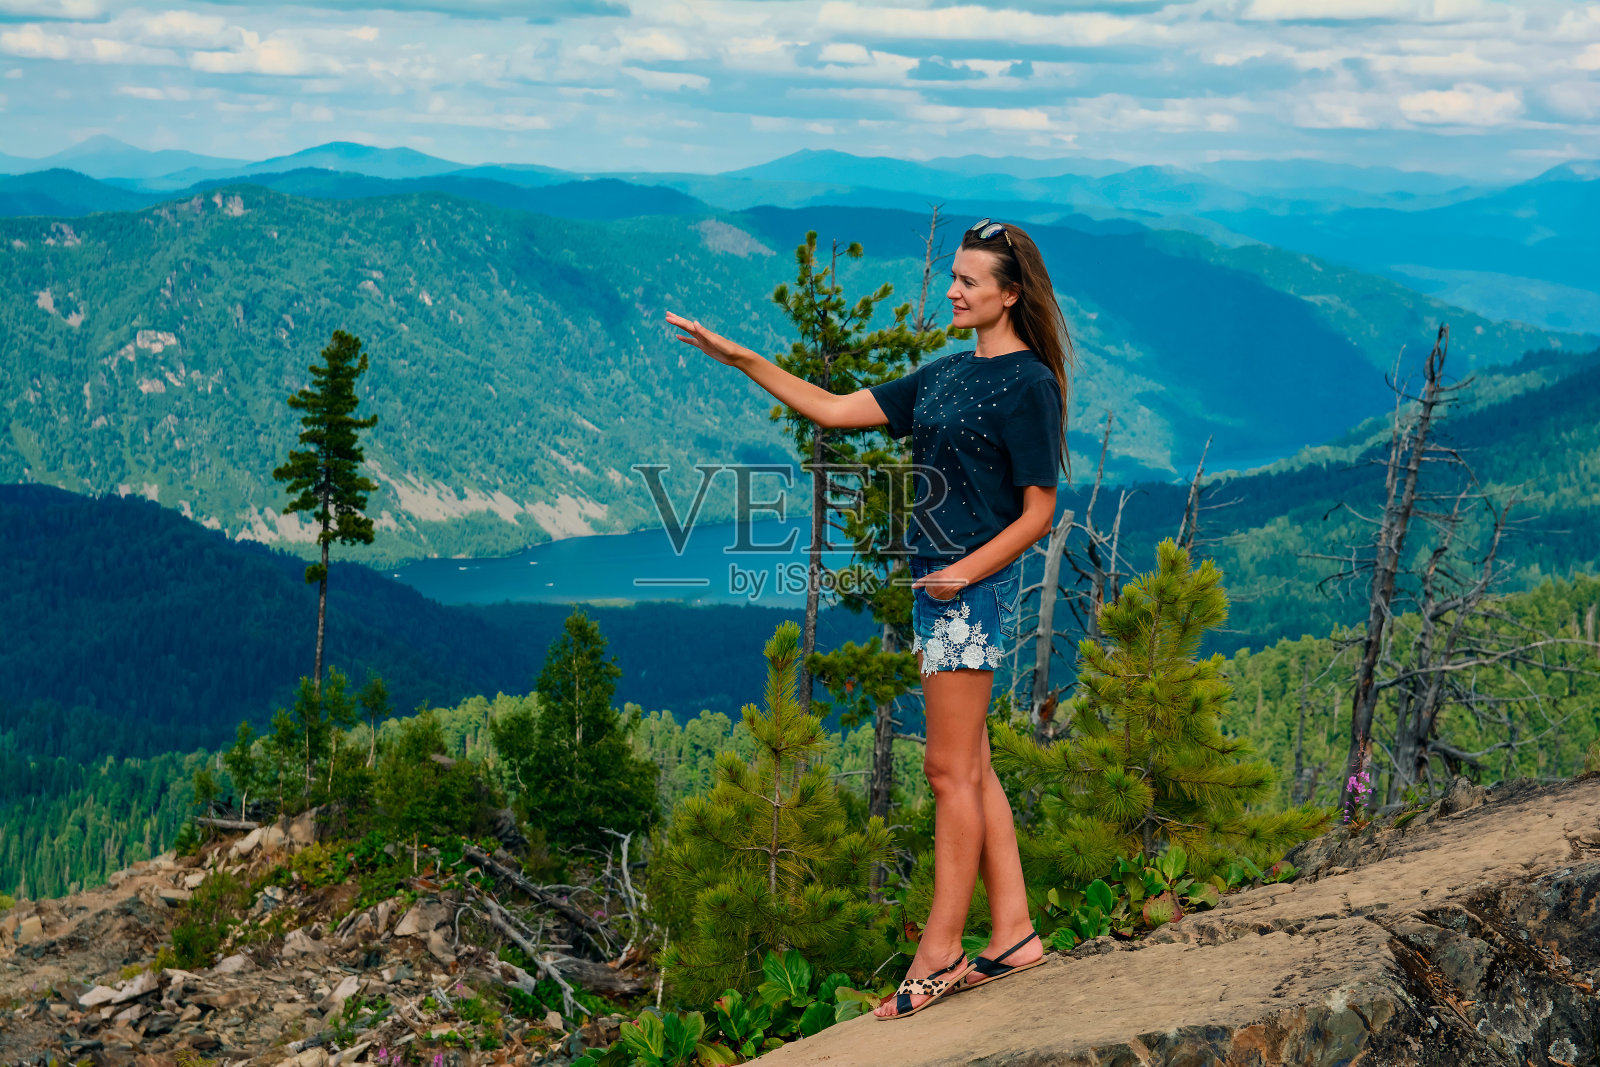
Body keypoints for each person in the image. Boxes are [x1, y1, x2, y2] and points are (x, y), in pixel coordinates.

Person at [665, 217, 1073, 1020]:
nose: (952, 290)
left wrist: (962, 572)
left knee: (947, 773)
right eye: (953, 276)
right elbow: (830, 409)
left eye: (968, 280)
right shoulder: (946, 376)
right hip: (937, 592)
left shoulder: (1030, 386)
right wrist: (738, 357)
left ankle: (942, 952)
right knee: (973, 766)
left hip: (965, 594)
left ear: (1010, 293)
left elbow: (1038, 513)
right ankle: (1016, 932)